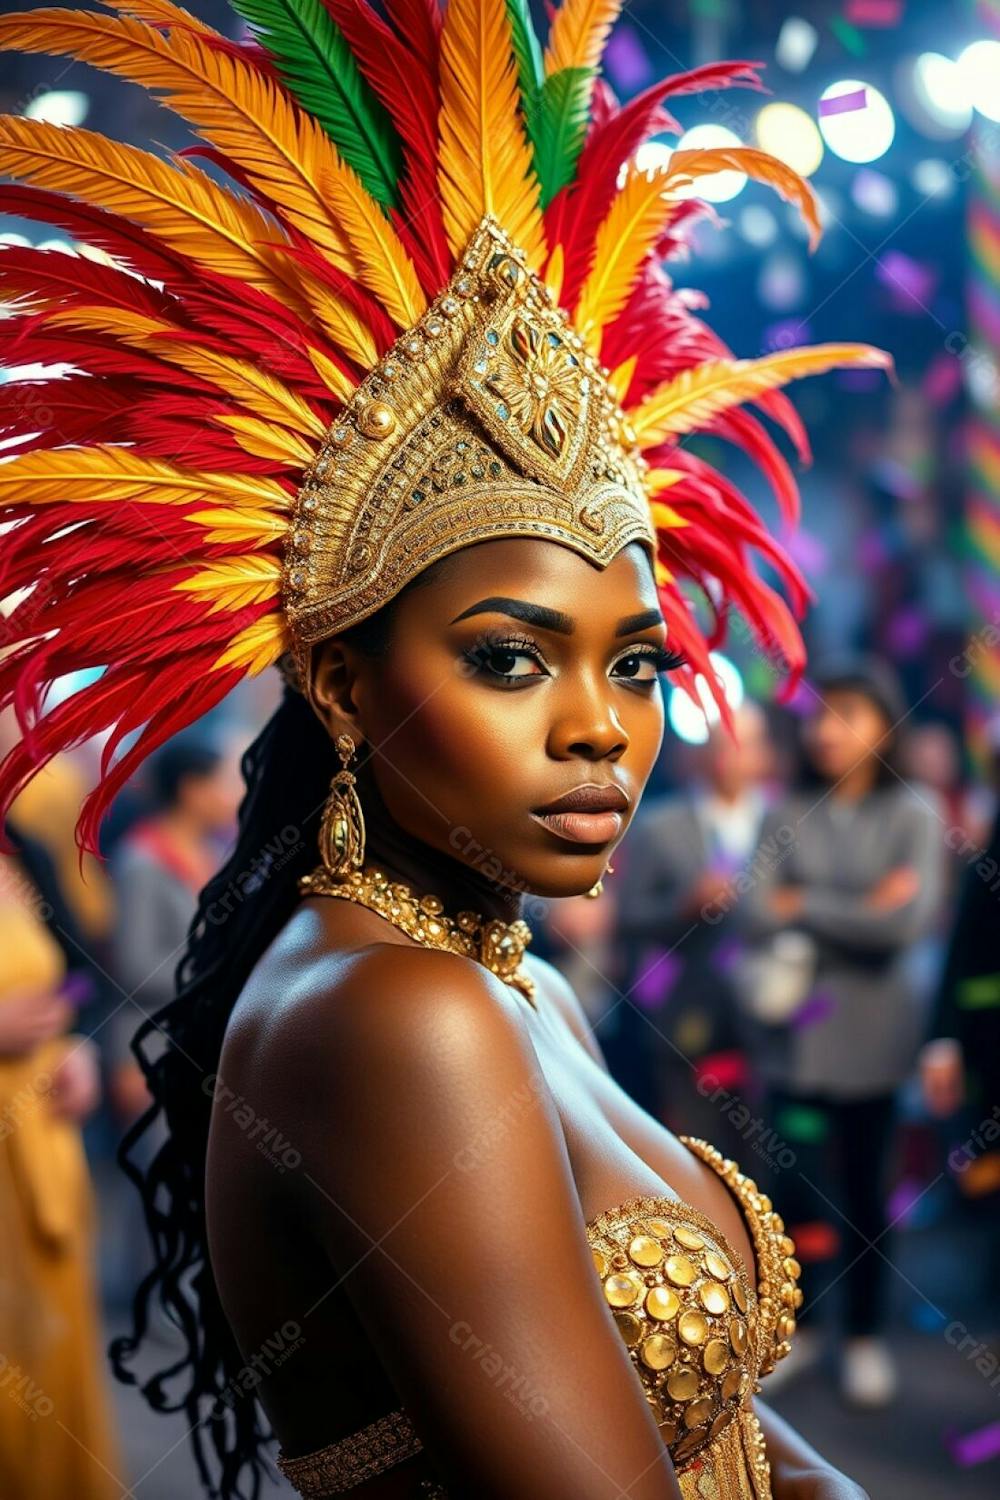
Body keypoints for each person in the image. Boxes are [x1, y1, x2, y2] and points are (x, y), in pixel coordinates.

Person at [0, 1, 890, 1494]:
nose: (602, 724)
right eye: (507, 659)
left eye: (641, 662)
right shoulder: (400, 1018)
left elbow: (740, 1443)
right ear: (341, 687)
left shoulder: (512, 974)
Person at [739, 657, 944, 1410]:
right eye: (820, 715)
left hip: (878, 1045)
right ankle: (806, 1329)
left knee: (866, 1197)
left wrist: (806, 903)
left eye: (848, 715)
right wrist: (857, 903)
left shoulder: (915, 813)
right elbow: (755, 911)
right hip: (795, 1044)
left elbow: (904, 927)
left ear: (884, 725)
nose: (828, 730)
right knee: (791, 1193)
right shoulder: (784, 810)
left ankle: (862, 1335)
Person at [0, 821, 124, 1500]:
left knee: (49, 1334)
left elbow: (80, 974)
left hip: (42, 1127)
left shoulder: (24, 850)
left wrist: (77, 1041)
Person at [611, 700, 774, 1143]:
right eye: (723, 745)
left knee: (767, 1145)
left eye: (747, 744)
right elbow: (626, 916)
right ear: (702, 753)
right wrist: (684, 907)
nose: (734, 756)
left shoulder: (786, 822)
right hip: (683, 1012)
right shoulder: (659, 826)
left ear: (767, 753)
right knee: (691, 1141)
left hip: (772, 1013)